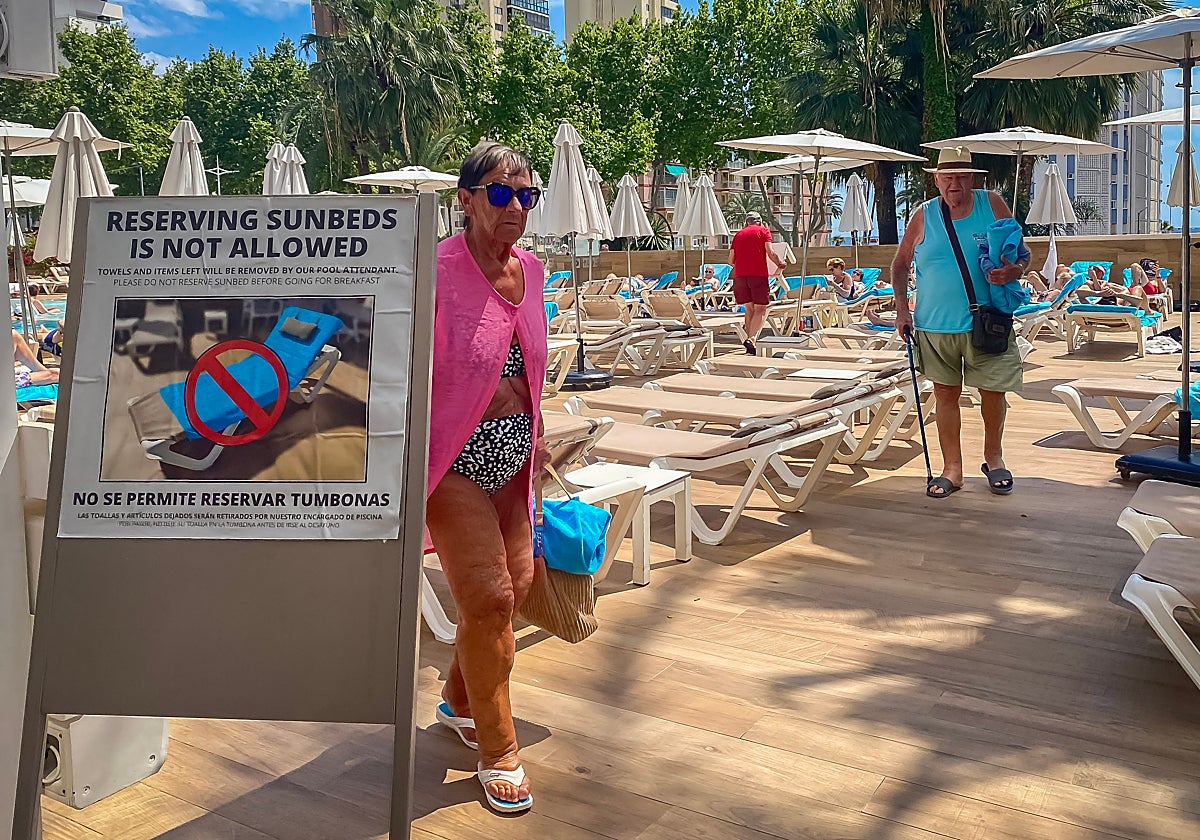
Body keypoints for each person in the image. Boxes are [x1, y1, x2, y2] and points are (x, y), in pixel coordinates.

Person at [425, 141, 549, 814]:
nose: (514, 209)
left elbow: (529, 369)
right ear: (466, 200)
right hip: (451, 466)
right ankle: (498, 750)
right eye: (500, 195)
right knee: (491, 597)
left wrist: (540, 438)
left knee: (518, 588)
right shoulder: (434, 271)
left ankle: (457, 701)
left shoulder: (531, 269)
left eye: (525, 196)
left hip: (515, 458)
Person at [891, 147, 1027, 498]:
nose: (955, 184)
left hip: (987, 323)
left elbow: (1021, 256)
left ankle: (994, 458)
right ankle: (952, 469)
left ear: (972, 178)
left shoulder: (992, 203)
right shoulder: (923, 215)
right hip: (935, 326)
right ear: (936, 180)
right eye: (947, 177)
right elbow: (900, 264)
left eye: (961, 176)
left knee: (993, 393)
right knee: (945, 395)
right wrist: (902, 311)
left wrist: (1013, 271)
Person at [730, 211, 785, 353]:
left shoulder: (738, 234)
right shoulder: (763, 231)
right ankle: (752, 339)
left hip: (740, 277)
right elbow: (770, 251)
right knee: (760, 309)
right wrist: (780, 263)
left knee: (750, 309)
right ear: (759, 222)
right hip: (758, 275)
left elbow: (730, 260)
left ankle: (750, 344)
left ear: (746, 222)